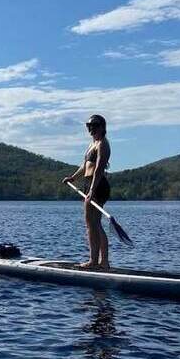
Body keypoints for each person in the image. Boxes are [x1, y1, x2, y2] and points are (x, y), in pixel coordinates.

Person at [62, 114, 111, 270]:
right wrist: (73, 178)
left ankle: (94, 261)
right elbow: (85, 166)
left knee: (91, 225)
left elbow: (98, 169)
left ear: (102, 127)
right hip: (89, 183)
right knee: (95, 224)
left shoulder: (103, 144)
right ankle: (102, 262)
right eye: (89, 126)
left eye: (95, 125)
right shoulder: (92, 144)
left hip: (97, 185)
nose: (91, 129)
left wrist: (91, 190)